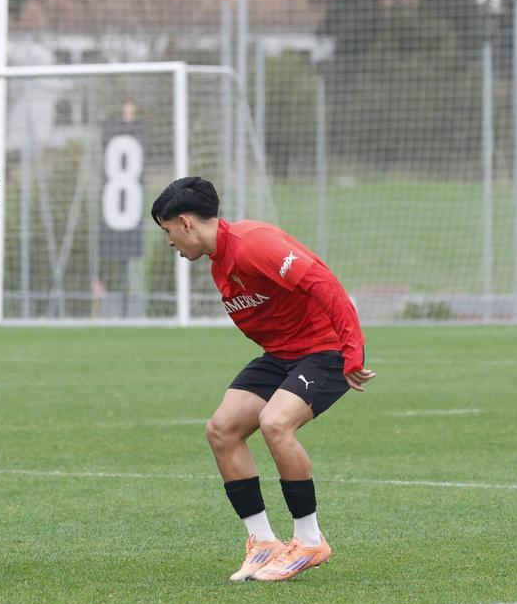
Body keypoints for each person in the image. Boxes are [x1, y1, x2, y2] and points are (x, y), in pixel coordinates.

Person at [150, 177, 376, 582]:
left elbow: (324, 283)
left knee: (276, 423)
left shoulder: (253, 244)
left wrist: (352, 350)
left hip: (324, 351)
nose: (170, 243)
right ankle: (263, 542)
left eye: (167, 232)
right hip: (283, 357)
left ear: (185, 223)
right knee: (222, 431)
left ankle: (309, 541)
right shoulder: (220, 261)